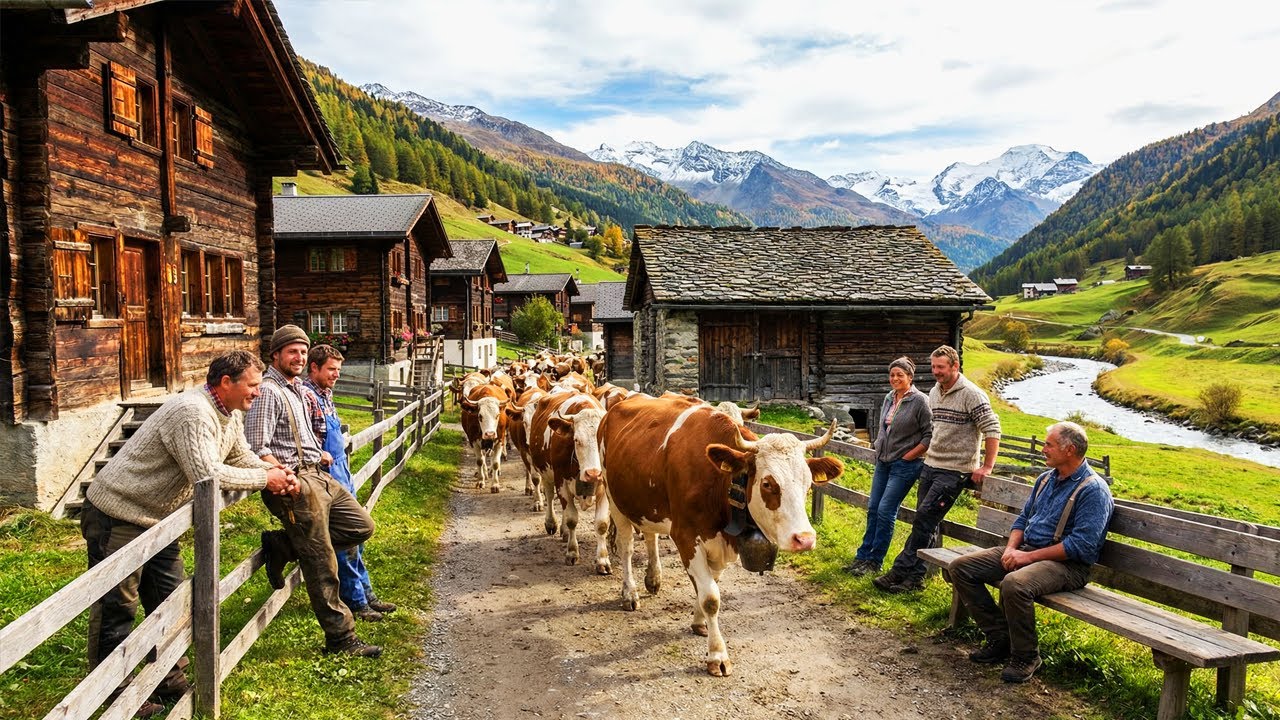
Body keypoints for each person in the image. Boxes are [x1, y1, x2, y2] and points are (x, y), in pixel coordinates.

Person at [82, 351, 294, 717]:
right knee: (117, 604)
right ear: (226, 382)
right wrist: (265, 478)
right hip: (117, 514)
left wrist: (274, 471)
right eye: (253, 385)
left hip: (158, 519)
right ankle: (115, 692)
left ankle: (167, 678)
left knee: (170, 598)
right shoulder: (192, 412)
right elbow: (207, 473)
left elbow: (239, 456)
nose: (258, 392)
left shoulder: (229, 412)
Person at [245, 324, 381, 658]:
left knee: (361, 527)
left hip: (317, 473)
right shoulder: (269, 391)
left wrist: (316, 452)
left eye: (303, 352)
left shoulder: (294, 389)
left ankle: (286, 544)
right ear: (275, 354)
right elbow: (255, 447)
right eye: (292, 351)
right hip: (295, 482)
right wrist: (282, 473)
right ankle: (341, 639)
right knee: (322, 563)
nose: (300, 357)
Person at [950, 421, 1114, 683]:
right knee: (961, 567)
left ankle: (1026, 656)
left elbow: (1082, 545)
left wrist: (1026, 557)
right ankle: (999, 637)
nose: (1043, 450)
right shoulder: (1046, 479)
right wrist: (1012, 549)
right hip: (1026, 551)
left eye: (1049, 445)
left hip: (1067, 565)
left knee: (1015, 584)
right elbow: (1023, 519)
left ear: (1069, 450)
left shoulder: (1093, 490)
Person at [874, 345, 1001, 593]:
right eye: (933, 367)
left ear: (955, 366)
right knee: (927, 523)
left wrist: (987, 466)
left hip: (954, 470)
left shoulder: (972, 394)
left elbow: (992, 428)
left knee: (924, 518)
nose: (936, 371)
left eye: (941, 367)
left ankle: (899, 571)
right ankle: (916, 579)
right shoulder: (934, 391)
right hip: (931, 465)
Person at [301, 344, 397, 622]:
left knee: (358, 537)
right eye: (331, 369)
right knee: (345, 544)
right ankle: (356, 601)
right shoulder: (307, 397)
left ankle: (366, 593)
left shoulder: (325, 395)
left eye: (338, 370)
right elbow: (307, 441)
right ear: (314, 368)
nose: (336, 375)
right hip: (326, 478)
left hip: (342, 473)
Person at [847, 356, 932, 577]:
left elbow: (929, 435)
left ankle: (875, 561)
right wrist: (878, 445)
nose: (894, 378)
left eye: (899, 375)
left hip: (905, 465)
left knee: (886, 510)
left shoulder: (921, 401)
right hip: (883, 461)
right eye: (892, 374)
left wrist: (908, 456)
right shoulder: (889, 397)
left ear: (910, 377)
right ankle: (862, 557)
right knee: (873, 508)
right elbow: (883, 427)